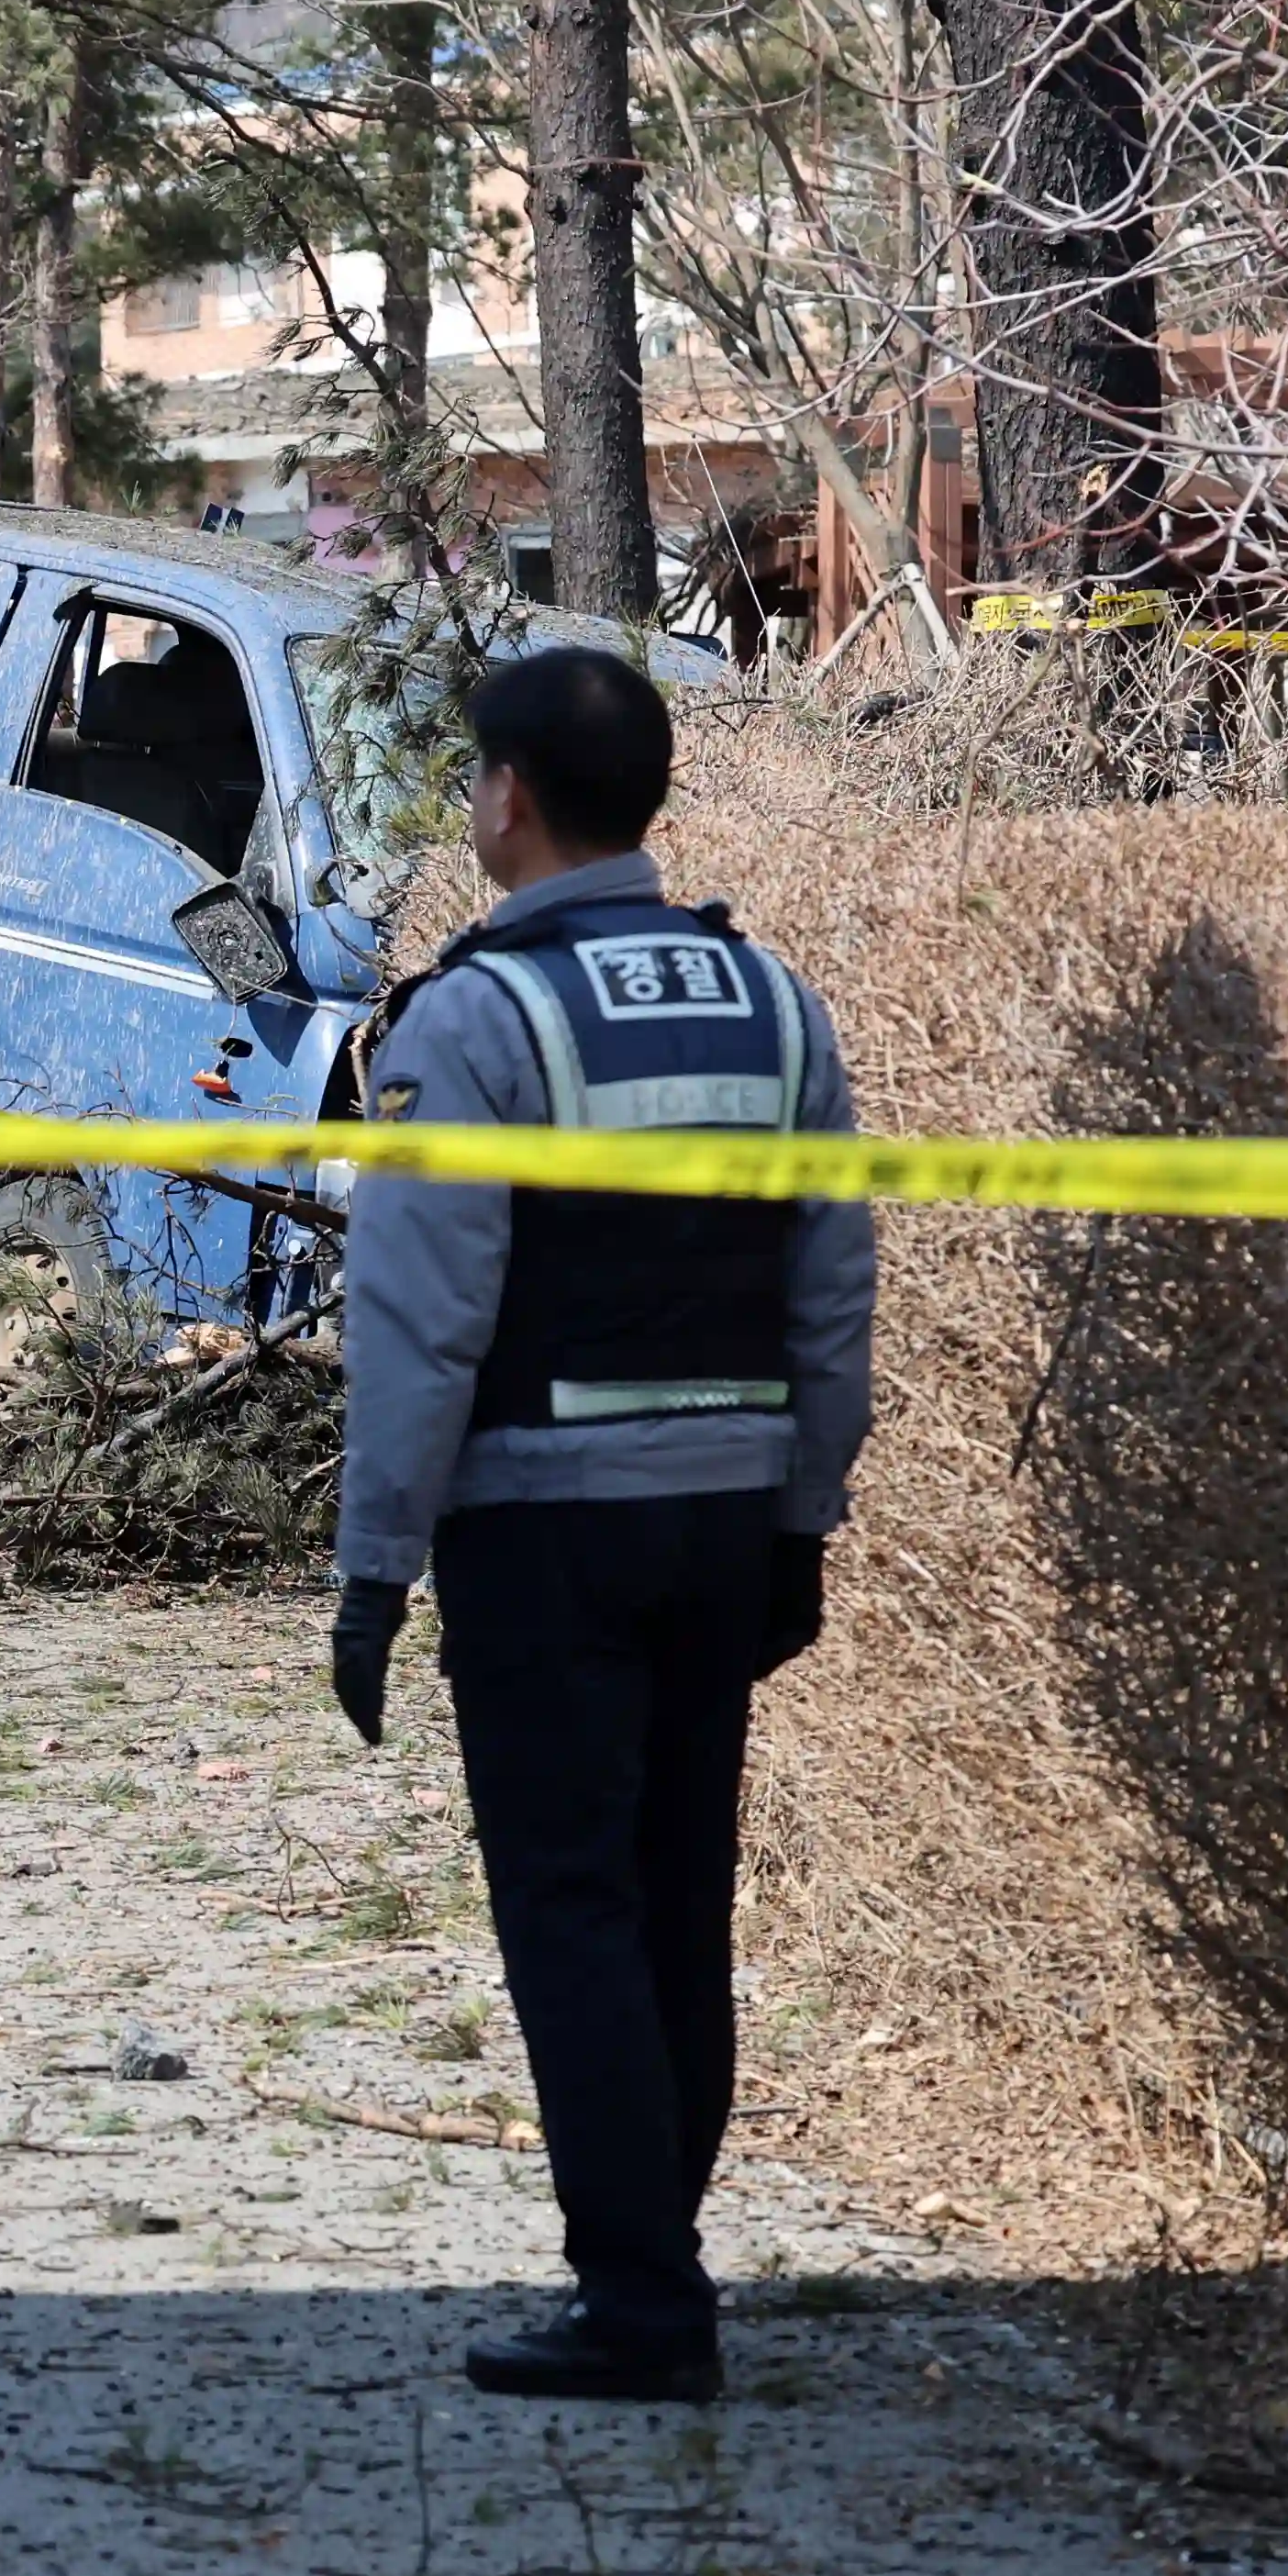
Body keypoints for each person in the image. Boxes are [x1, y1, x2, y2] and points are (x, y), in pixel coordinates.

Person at [328, 648, 875, 2405]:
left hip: (547, 1529)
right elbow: (832, 1286)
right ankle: (656, 2255)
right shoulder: (774, 1002)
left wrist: (373, 1563)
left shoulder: (475, 1021)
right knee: (674, 1903)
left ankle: (643, 2304)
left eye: (473, 778)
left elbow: (420, 1322)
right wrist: (807, 1512)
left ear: (505, 797)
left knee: (568, 1909)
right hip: (726, 1525)